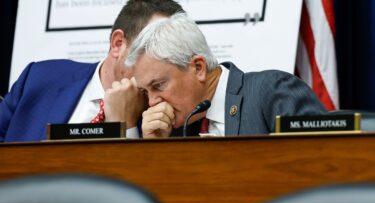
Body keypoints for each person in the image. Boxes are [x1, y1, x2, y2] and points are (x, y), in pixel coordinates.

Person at [0, 0, 183, 142]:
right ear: (118, 44)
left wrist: (126, 128)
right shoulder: (38, 79)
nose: (159, 67)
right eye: (154, 50)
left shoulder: (164, 119)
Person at [124, 13, 328, 138]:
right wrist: (157, 149)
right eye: (145, 91)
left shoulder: (272, 92)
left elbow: (319, 167)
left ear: (198, 67)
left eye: (158, 85)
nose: (151, 102)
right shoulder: (172, 127)